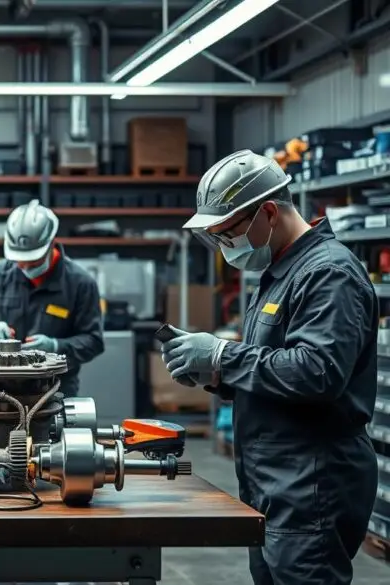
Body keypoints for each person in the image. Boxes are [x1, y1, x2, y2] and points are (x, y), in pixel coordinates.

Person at [161, 149, 378, 585]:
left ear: (268, 212)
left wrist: (224, 355)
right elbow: (277, 367)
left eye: (229, 233)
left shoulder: (329, 274)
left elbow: (318, 372)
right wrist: (217, 375)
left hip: (312, 481)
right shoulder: (281, 272)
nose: (226, 246)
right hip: (274, 480)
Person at [0, 199, 104, 397]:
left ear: (51, 244)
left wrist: (56, 347)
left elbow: (93, 340)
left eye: (32, 259)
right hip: (1, 388)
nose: (24, 266)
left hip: (55, 389)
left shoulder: (80, 283)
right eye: (19, 259)